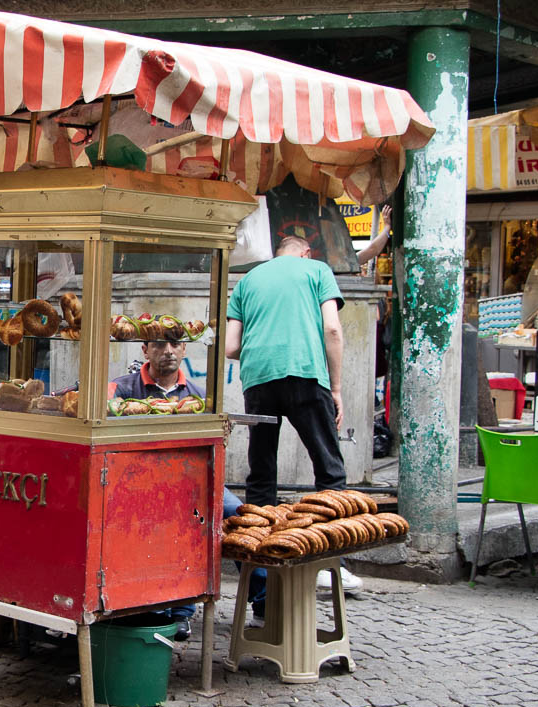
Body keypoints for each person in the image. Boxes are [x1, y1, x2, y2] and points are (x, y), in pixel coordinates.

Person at [225, 234, 361, 592]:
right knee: (329, 469)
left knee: (261, 474)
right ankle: (330, 563)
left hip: (258, 379)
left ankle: (258, 565)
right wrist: (336, 389)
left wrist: (265, 349)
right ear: (305, 252)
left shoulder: (248, 280)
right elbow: (332, 328)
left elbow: (230, 346)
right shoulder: (316, 270)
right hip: (305, 373)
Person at [109, 336, 268, 634]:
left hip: (195, 481)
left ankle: (263, 602)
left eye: (174, 344)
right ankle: (175, 609)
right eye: (158, 345)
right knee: (161, 521)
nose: (167, 351)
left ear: (184, 349)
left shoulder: (199, 396)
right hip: (142, 484)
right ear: (144, 350)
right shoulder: (123, 388)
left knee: (240, 516)